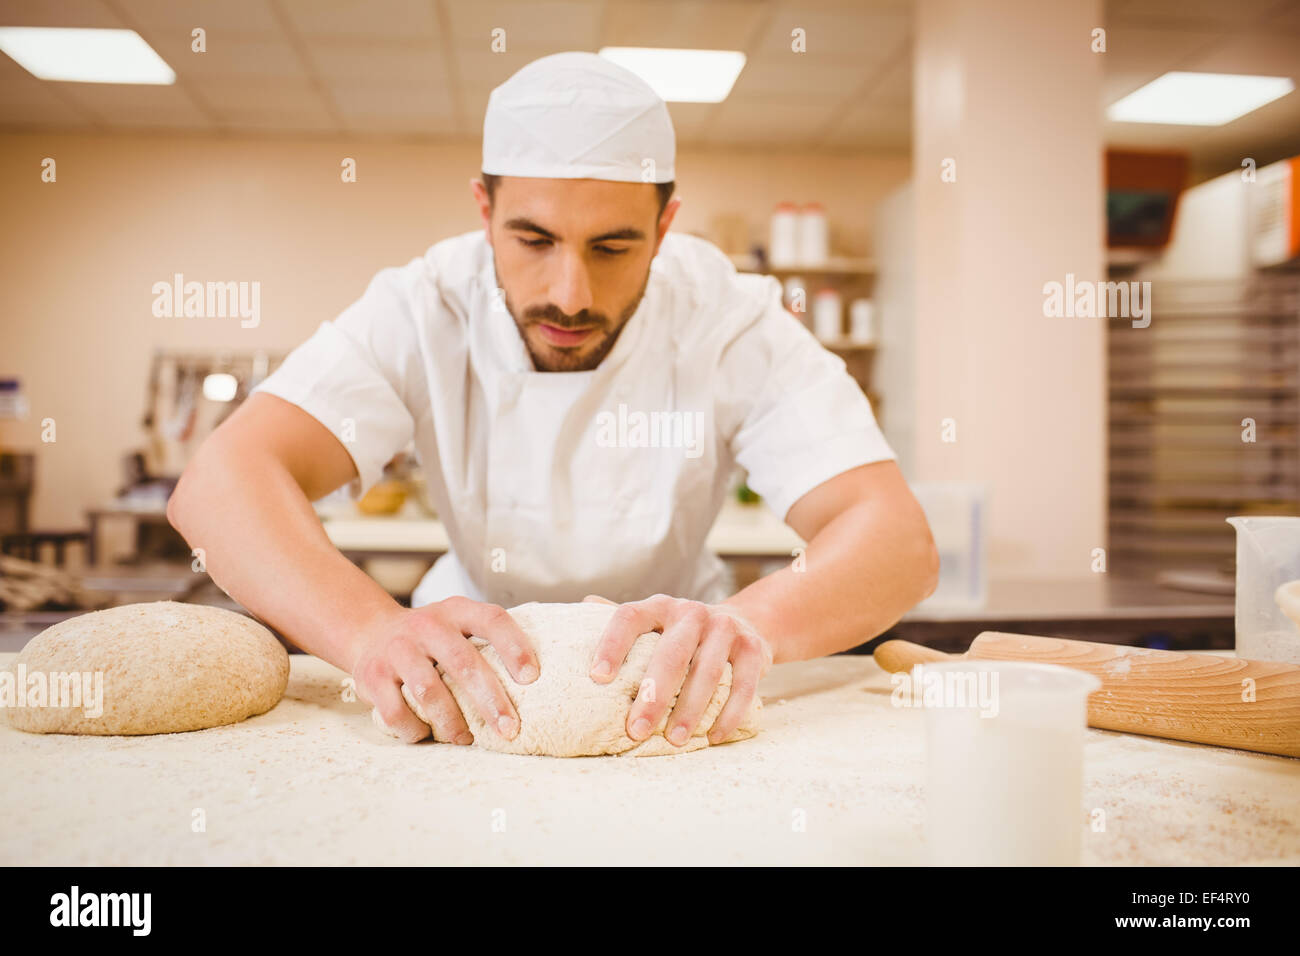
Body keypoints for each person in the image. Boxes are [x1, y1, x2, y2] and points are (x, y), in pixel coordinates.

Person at [168, 51, 938, 749]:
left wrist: (749, 626)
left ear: (665, 226)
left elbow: (895, 540)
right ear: (483, 212)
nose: (570, 296)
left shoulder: (729, 318)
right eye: (533, 241)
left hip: (682, 692)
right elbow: (222, 482)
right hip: (467, 685)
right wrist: (370, 632)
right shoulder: (423, 305)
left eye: (613, 247)